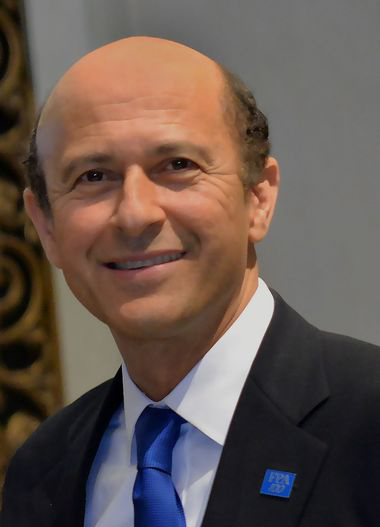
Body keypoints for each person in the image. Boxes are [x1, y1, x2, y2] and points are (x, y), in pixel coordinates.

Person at [2, 36, 380, 527]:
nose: (135, 214)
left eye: (178, 166)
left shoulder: (368, 425)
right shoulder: (43, 471)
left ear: (258, 198)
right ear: (46, 226)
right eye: (94, 176)